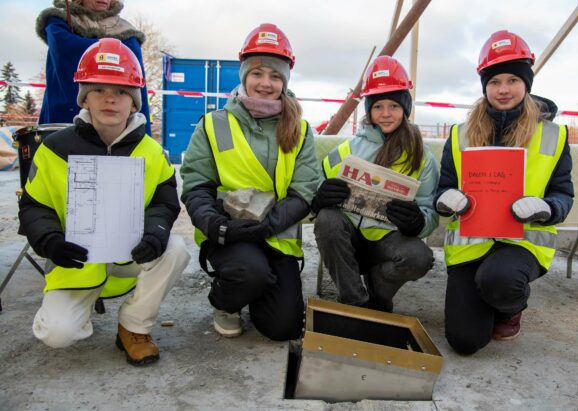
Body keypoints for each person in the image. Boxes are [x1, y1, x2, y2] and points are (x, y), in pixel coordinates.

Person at [18, 38, 190, 365]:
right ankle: (70, 311)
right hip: (76, 261)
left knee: (176, 249)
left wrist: (155, 232)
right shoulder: (55, 148)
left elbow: (165, 201)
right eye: (99, 90)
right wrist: (49, 241)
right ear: (85, 97)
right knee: (57, 335)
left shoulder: (151, 152)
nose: (111, 99)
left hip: (130, 254)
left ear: (135, 101)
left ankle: (134, 326)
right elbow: (33, 206)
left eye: (122, 91)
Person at [434, 30, 574, 355]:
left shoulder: (553, 135)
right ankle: (488, 300)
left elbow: (564, 194)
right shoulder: (461, 134)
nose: (503, 89)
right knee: (465, 341)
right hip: (470, 247)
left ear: (526, 84)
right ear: (485, 86)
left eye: (513, 79)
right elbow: (443, 187)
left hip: (521, 245)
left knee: (499, 280)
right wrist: (445, 200)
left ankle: (510, 306)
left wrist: (547, 207)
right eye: (495, 81)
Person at [180, 23, 321, 341]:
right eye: (257, 73)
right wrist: (216, 225)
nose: (265, 83)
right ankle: (226, 303)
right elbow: (195, 184)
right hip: (230, 235)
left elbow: (305, 189)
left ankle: (257, 287)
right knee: (249, 272)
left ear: (284, 80)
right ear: (244, 75)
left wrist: (267, 225)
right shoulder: (214, 124)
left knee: (283, 328)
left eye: (275, 76)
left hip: (276, 235)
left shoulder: (299, 129)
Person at [313, 55, 439, 312]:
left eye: (393, 106)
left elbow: (430, 210)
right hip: (350, 244)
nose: (385, 114)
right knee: (326, 219)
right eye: (378, 106)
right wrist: (320, 196)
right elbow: (318, 186)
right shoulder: (347, 150)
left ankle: (380, 291)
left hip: (389, 243)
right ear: (369, 110)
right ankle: (354, 302)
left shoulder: (422, 156)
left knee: (419, 257)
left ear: (405, 108)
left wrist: (419, 222)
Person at [36, 0, 152, 135]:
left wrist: (142, 132)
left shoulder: (125, 30)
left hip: (112, 126)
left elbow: (135, 77)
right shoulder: (59, 20)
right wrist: (113, 52)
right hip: (64, 116)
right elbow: (66, 49)